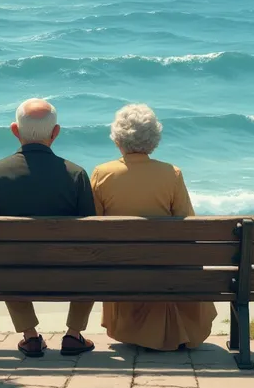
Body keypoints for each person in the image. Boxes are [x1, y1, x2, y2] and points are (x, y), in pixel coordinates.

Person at [0, 98, 95, 358]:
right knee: (91, 259)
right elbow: (91, 234)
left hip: (15, 274)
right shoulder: (76, 175)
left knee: (2, 258)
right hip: (67, 274)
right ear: (55, 133)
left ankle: (29, 336)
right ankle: (74, 334)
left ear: (15, 131)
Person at [90, 104, 217, 351]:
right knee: (176, 258)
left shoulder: (101, 174)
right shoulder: (171, 173)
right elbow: (187, 226)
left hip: (120, 270)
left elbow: (93, 227)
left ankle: (137, 330)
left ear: (118, 139)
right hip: (164, 269)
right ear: (153, 140)